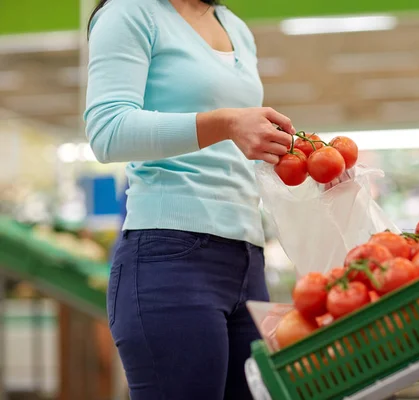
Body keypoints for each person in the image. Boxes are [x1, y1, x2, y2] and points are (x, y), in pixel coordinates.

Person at [84, 0, 296, 398]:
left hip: (246, 257)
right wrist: (228, 122)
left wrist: (304, 160)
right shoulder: (131, 12)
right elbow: (107, 131)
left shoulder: (234, 26)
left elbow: (231, 149)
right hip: (169, 254)